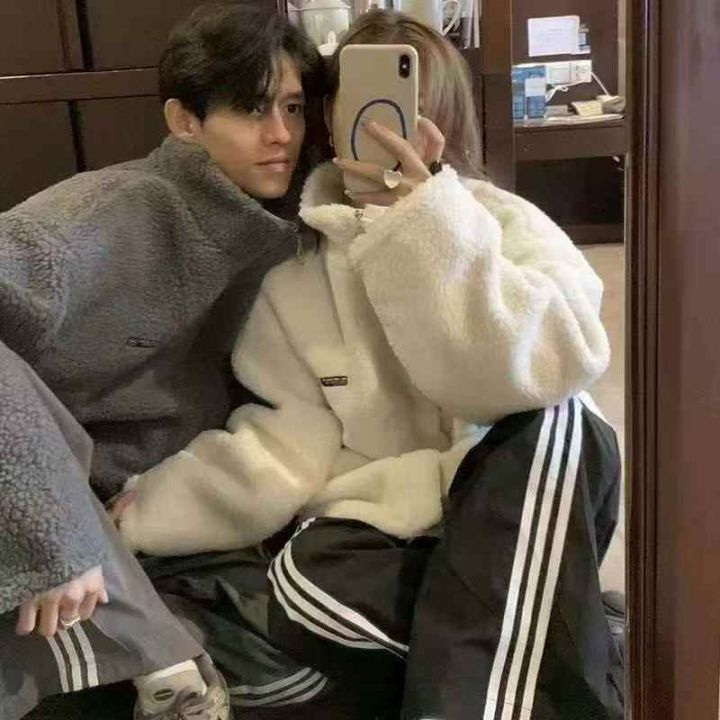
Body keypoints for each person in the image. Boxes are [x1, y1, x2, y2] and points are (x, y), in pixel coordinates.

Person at [112, 9, 623, 720]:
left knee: (561, 420)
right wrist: (140, 512)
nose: (388, 125)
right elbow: (280, 444)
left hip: (514, 492)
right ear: (331, 113)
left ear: (444, 116)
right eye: (364, 100)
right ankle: (573, 639)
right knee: (300, 586)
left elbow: (547, 366)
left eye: (411, 103)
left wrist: (423, 226)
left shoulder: (506, 224)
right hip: (390, 531)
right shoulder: (292, 278)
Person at [0, 4, 325, 720]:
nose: (281, 134)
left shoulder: (285, 229)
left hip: (161, 518)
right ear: (184, 121)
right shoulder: (108, 216)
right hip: (48, 514)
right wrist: (53, 526)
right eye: (251, 109)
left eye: (294, 108)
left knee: (297, 674)